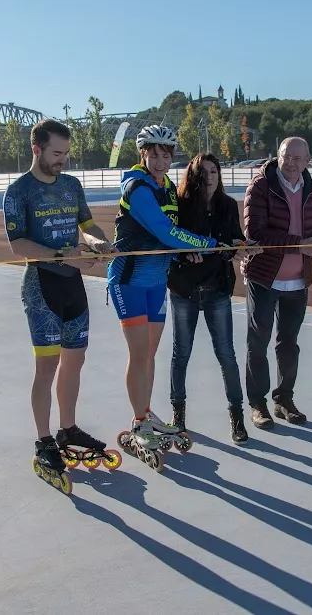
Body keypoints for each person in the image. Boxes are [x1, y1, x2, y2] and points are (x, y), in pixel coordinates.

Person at [2, 119, 116, 483]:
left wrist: (98, 242)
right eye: (56, 153)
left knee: (75, 363)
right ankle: (44, 440)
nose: (62, 160)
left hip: (73, 288)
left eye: (66, 154)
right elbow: (18, 244)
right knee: (46, 370)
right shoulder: (18, 191)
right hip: (41, 290)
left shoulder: (71, 185)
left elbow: (88, 225)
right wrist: (62, 256)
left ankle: (68, 428)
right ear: (36, 149)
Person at [107, 125, 219, 461]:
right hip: (128, 281)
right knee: (139, 354)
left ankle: (143, 411)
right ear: (142, 153)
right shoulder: (137, 186)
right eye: (153, 153)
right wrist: (212, 246)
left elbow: (172, 240)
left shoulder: (167, 185)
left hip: (156, 281)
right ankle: (139, 419)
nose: (160, 160)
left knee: (149, 355)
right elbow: (165, 232)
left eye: (166, 154)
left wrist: (190, 251)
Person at [243, 137, 312, 430]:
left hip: (298, 282)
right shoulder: (260, 186)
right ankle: (257, 404)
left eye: (299, 158)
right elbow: (255, 232)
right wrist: (299, 245)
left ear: (308, 160)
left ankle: (284, 398)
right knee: (257, 343)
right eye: (287, 157)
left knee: (289, 345)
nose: (292, 163)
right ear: (278, 155)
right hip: (263, 276)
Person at [166, 153, 257, 445]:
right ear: (193, 176)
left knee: (227, 356)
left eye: (214, 170)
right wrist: (182, 253)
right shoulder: (179, 206)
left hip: (217, 290)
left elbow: (235, 239)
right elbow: (168, 242)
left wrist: (241, 247)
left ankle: (237, 417)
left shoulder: (228, 205)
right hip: (184, 291)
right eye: (203, 171)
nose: (210, 176)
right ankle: (178, 417)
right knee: (181, 355)